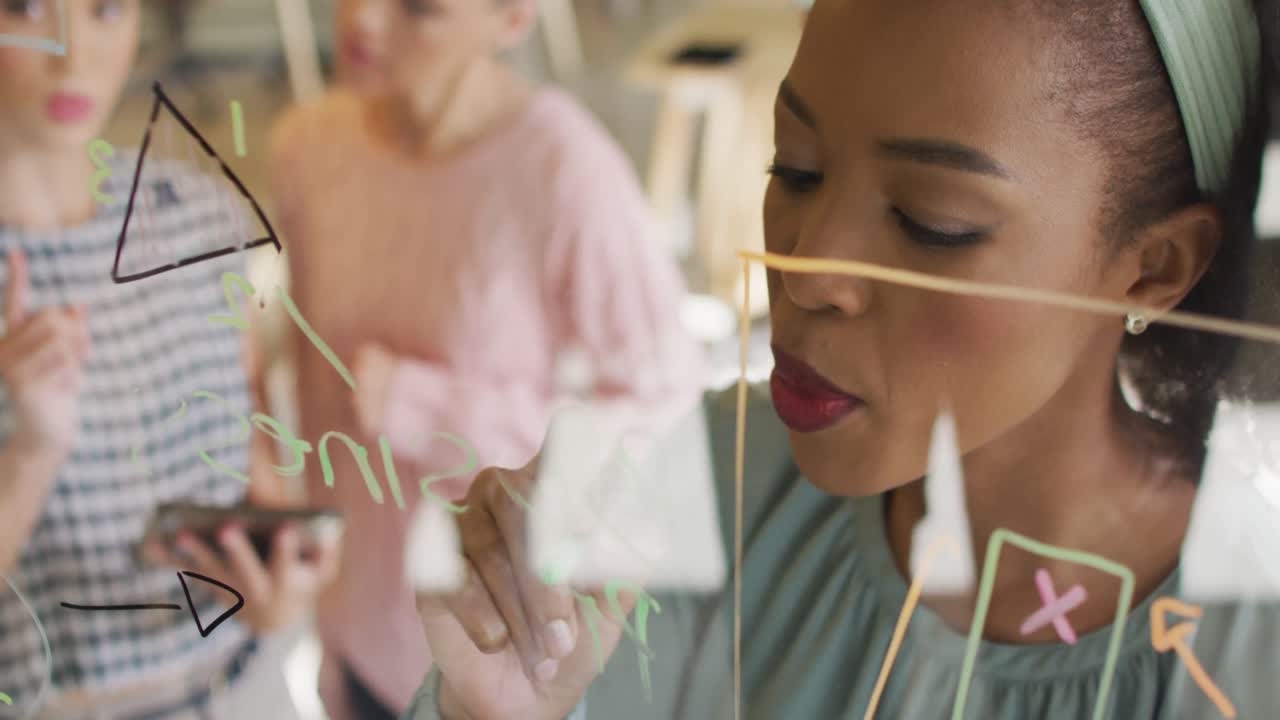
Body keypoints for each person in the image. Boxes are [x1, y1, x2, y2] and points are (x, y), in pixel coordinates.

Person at [403, 0, 1280, 718]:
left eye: (934, 223)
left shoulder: (1252, 657)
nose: (806, 265)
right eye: (797, 168)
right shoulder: (700, 492)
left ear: (1151, 269)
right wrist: (497, 710)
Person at [266, 0, 707, 718]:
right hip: (350, 635)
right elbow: (315, 399)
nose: (363, 22)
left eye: (420, 9)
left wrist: (432, 408)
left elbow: (668, 413)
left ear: (511, 19)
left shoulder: (565, 168)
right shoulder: (307, 148)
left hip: (489, 660)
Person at [0, 1, 336, 717]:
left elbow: (252, 446)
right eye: (24, 7)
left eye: (107, 10)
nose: (75, 55)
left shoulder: (196, 210)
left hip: (249, 681)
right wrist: (33, 448)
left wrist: (277, 580)